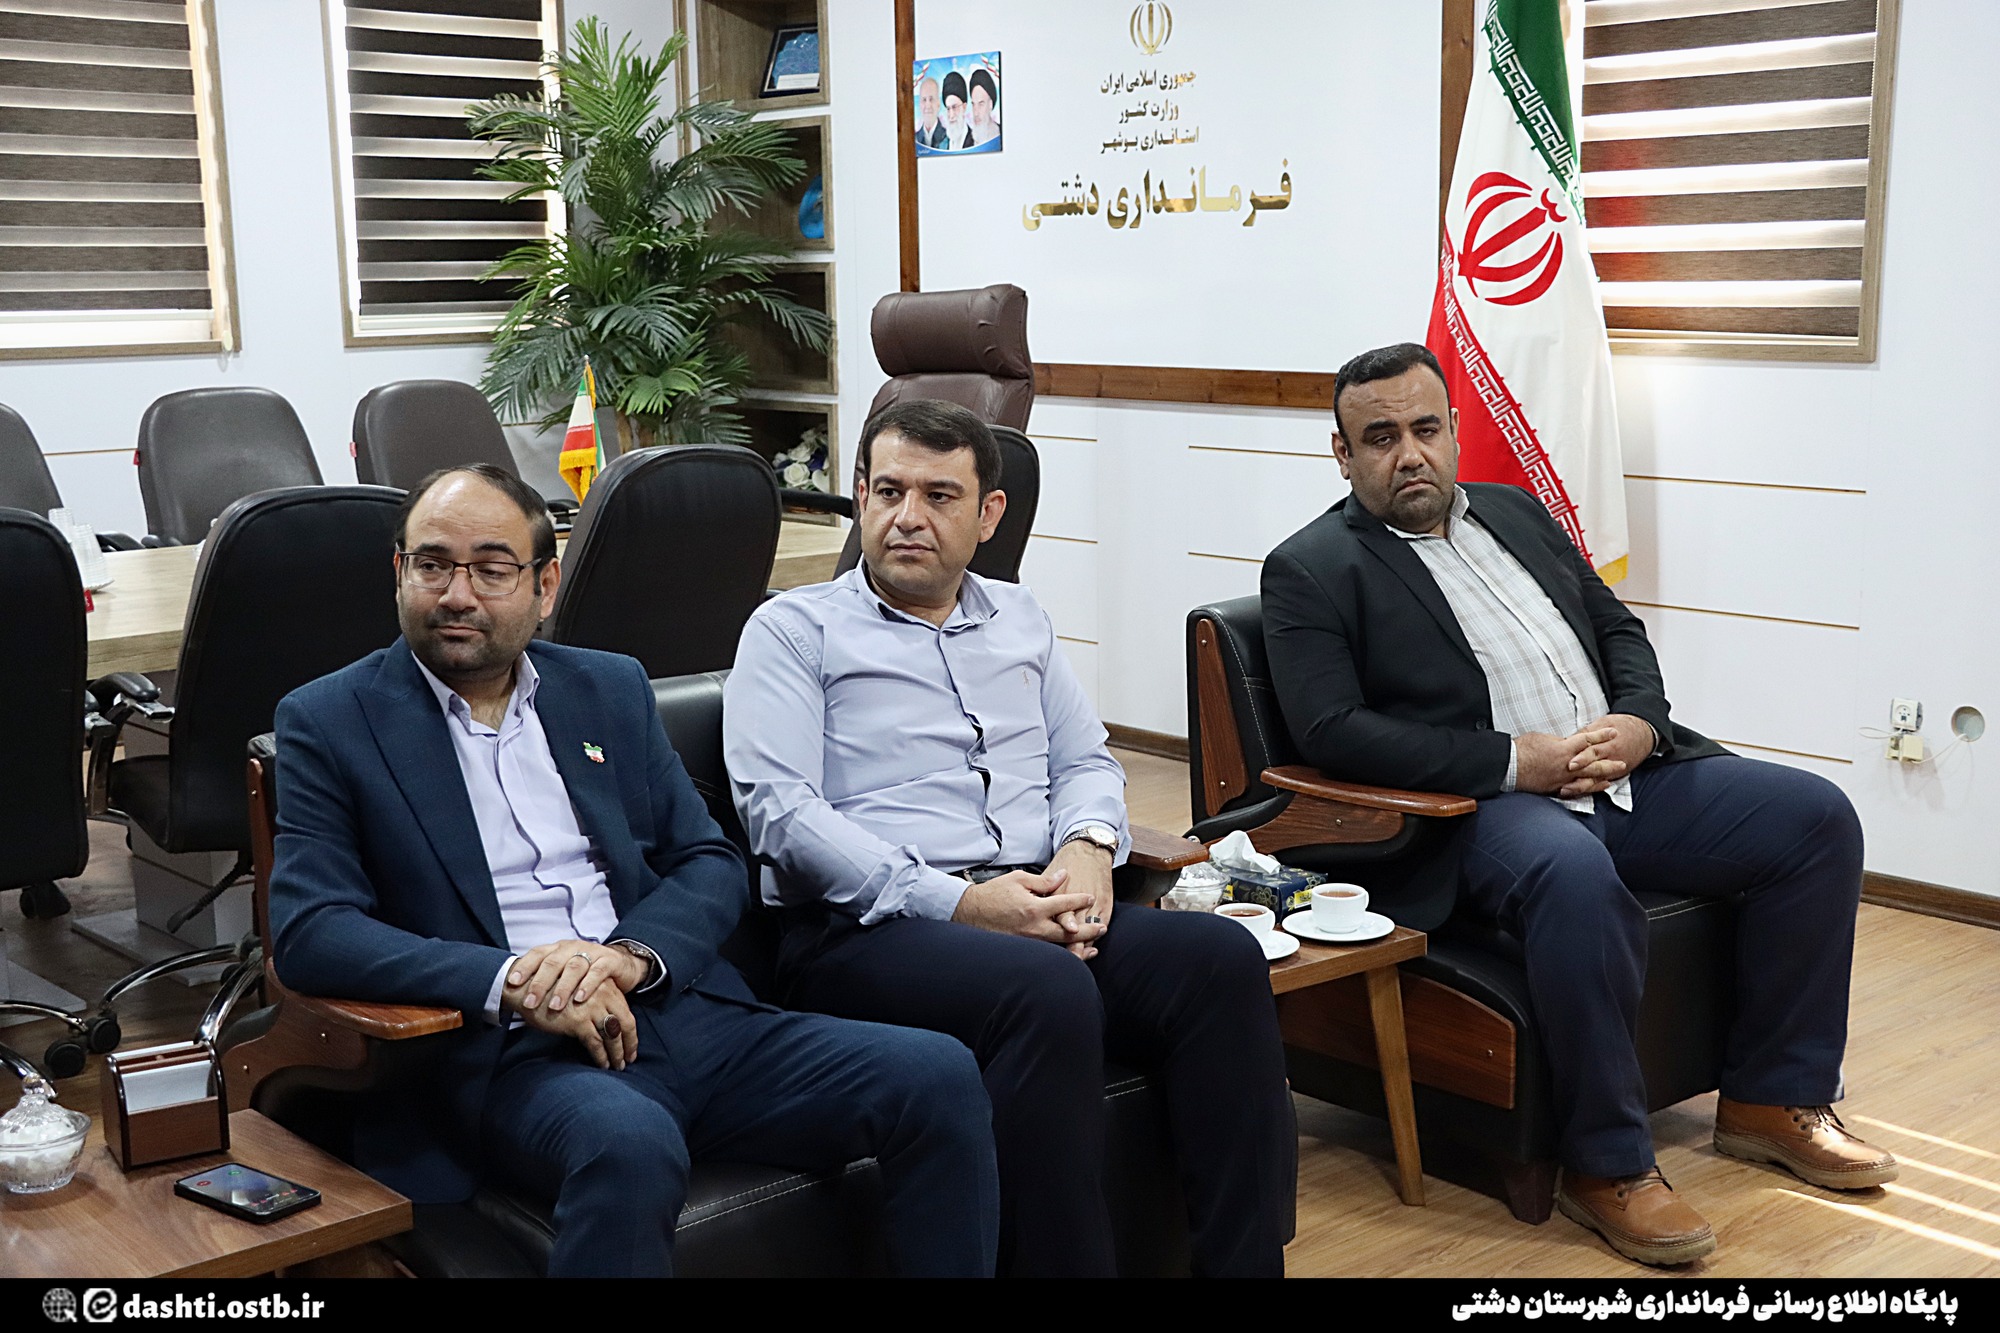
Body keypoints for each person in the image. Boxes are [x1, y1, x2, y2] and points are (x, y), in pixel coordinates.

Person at [269, 463, 999, 1279]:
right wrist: (513, 980)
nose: (457, 594)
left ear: (545, 585)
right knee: (628, 1141)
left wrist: (628, 956)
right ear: (398, 571)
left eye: (492, 569)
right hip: (514, 1052)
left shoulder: (606, 687)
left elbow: (707, 858)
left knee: (935, 1074)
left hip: (682, 1012)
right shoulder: (332, 720)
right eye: (432, 565)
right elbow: (312, 928)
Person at [1260, 343, 1898, 1268]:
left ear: (1454, 430)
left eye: (1426, 429)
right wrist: (1513, 761)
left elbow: (1615, 628)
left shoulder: (1516, 512)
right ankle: (1608, 1165)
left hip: (1624, 776)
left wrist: (1639, 722)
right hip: (1478, 807)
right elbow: (1333, 730)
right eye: (1382, 437)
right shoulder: (1312, 567)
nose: (1410, 454)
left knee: (1816, 818)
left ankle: (1774, 1095)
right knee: (1573, 873)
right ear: (1343, 453)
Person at [724, 400, 1295, 1278]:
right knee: (1043, 988)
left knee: (1219, 959)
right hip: (866, 932)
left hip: (1033, 896)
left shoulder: (1020, 617)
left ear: (988, 514)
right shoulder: (794, 630)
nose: (907, 516)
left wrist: (1088, 849)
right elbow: (783, 814)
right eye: (889, 490)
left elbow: (1087, 760)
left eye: (939, 495)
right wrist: (963, 904)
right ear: (860, 496)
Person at [966, 67, 1001, 147]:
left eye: (981, 104)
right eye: (973, 104)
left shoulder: (1003, 134)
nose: (976, 113)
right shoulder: (967, 143)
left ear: (990, 104)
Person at [916, 74, 949, 151]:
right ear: (920, 104)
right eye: (924, 100)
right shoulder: (914, 139)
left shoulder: (948, 139)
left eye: (931, 99)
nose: (928, 105)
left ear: (938, 103)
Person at [940, 70, 971, 150]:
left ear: (964, 107)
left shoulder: (975, 141)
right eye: (948, 109)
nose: (951, 115)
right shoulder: (941, 145)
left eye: (954, 107)